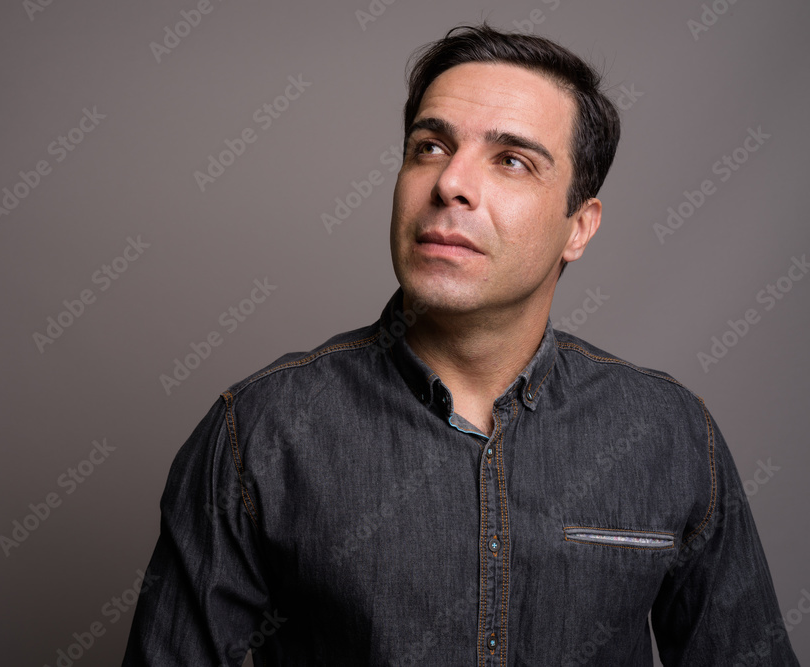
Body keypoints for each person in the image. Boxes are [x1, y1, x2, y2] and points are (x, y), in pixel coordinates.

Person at [122, 23, 799, 666]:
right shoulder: (260, 431)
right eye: (431, 147)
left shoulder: (671, 435)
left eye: (511, 160)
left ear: (579, 227)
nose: (450, 183)